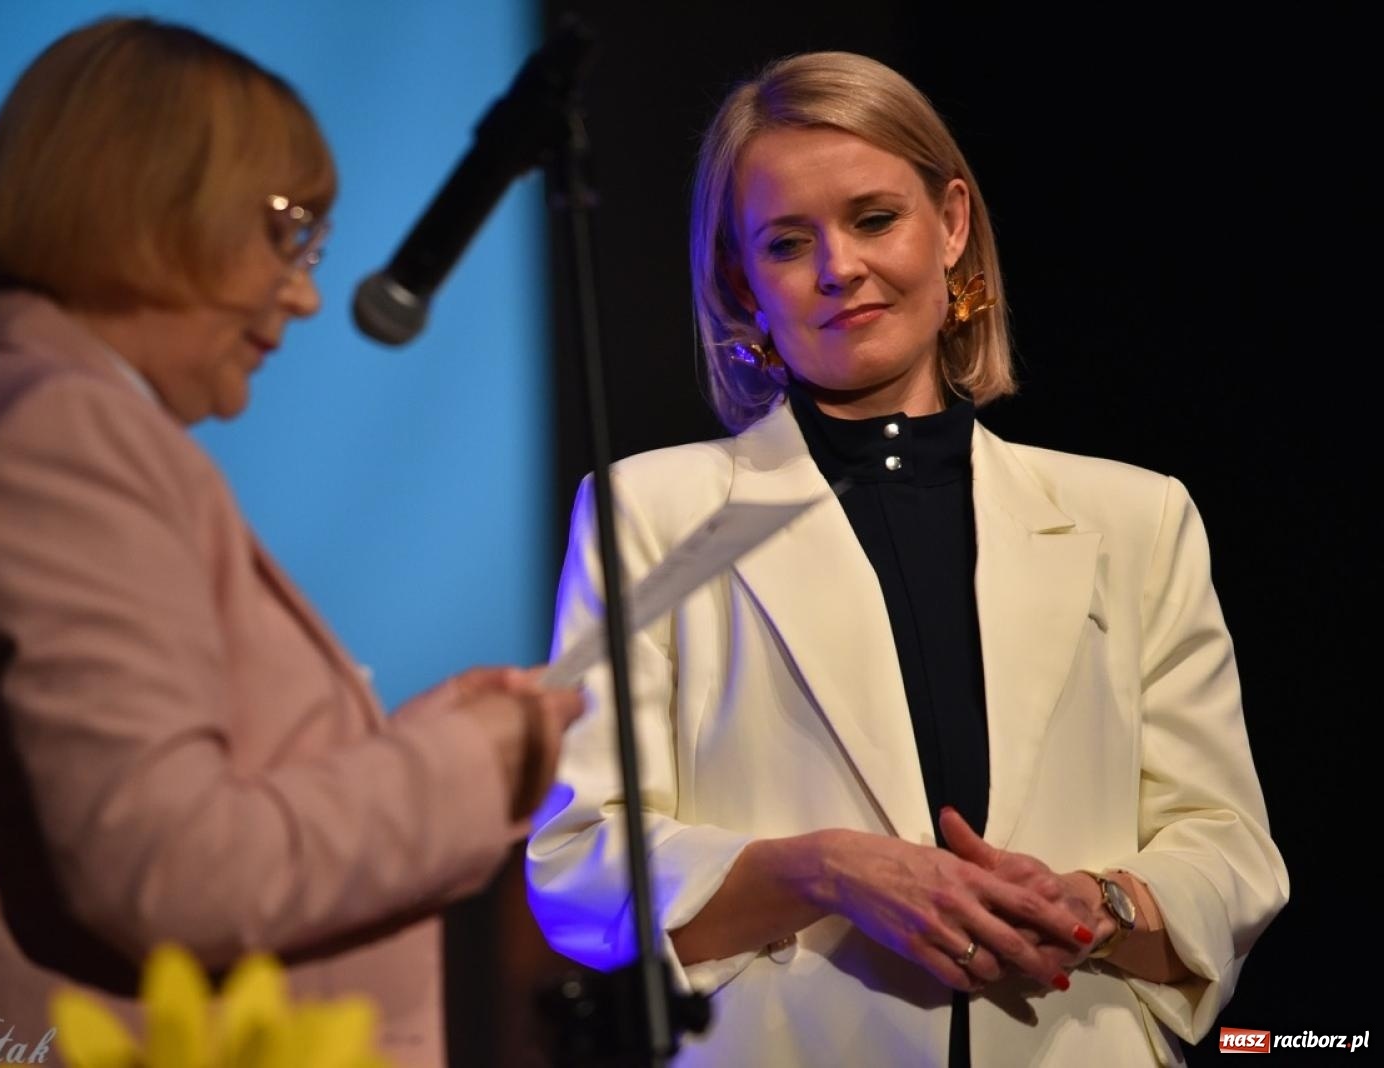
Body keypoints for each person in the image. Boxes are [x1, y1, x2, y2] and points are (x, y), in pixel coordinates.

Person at [526, 51, 1287, 1067]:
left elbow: (1230, 851)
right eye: (788, 242)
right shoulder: (648, 513)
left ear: (953, 224)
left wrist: (1097, 904)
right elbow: (580, 864)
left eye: (873, 219)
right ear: (739, 281)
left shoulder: (1136, 516)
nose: (839, 267)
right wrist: (826, 872)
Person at [0, 18, 579, 1068]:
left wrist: (393, 750)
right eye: (287, 234)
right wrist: (465, 767)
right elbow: (168, 868)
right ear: (143, 199)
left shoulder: (15, 406)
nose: (306, 291)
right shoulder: (59, 433)